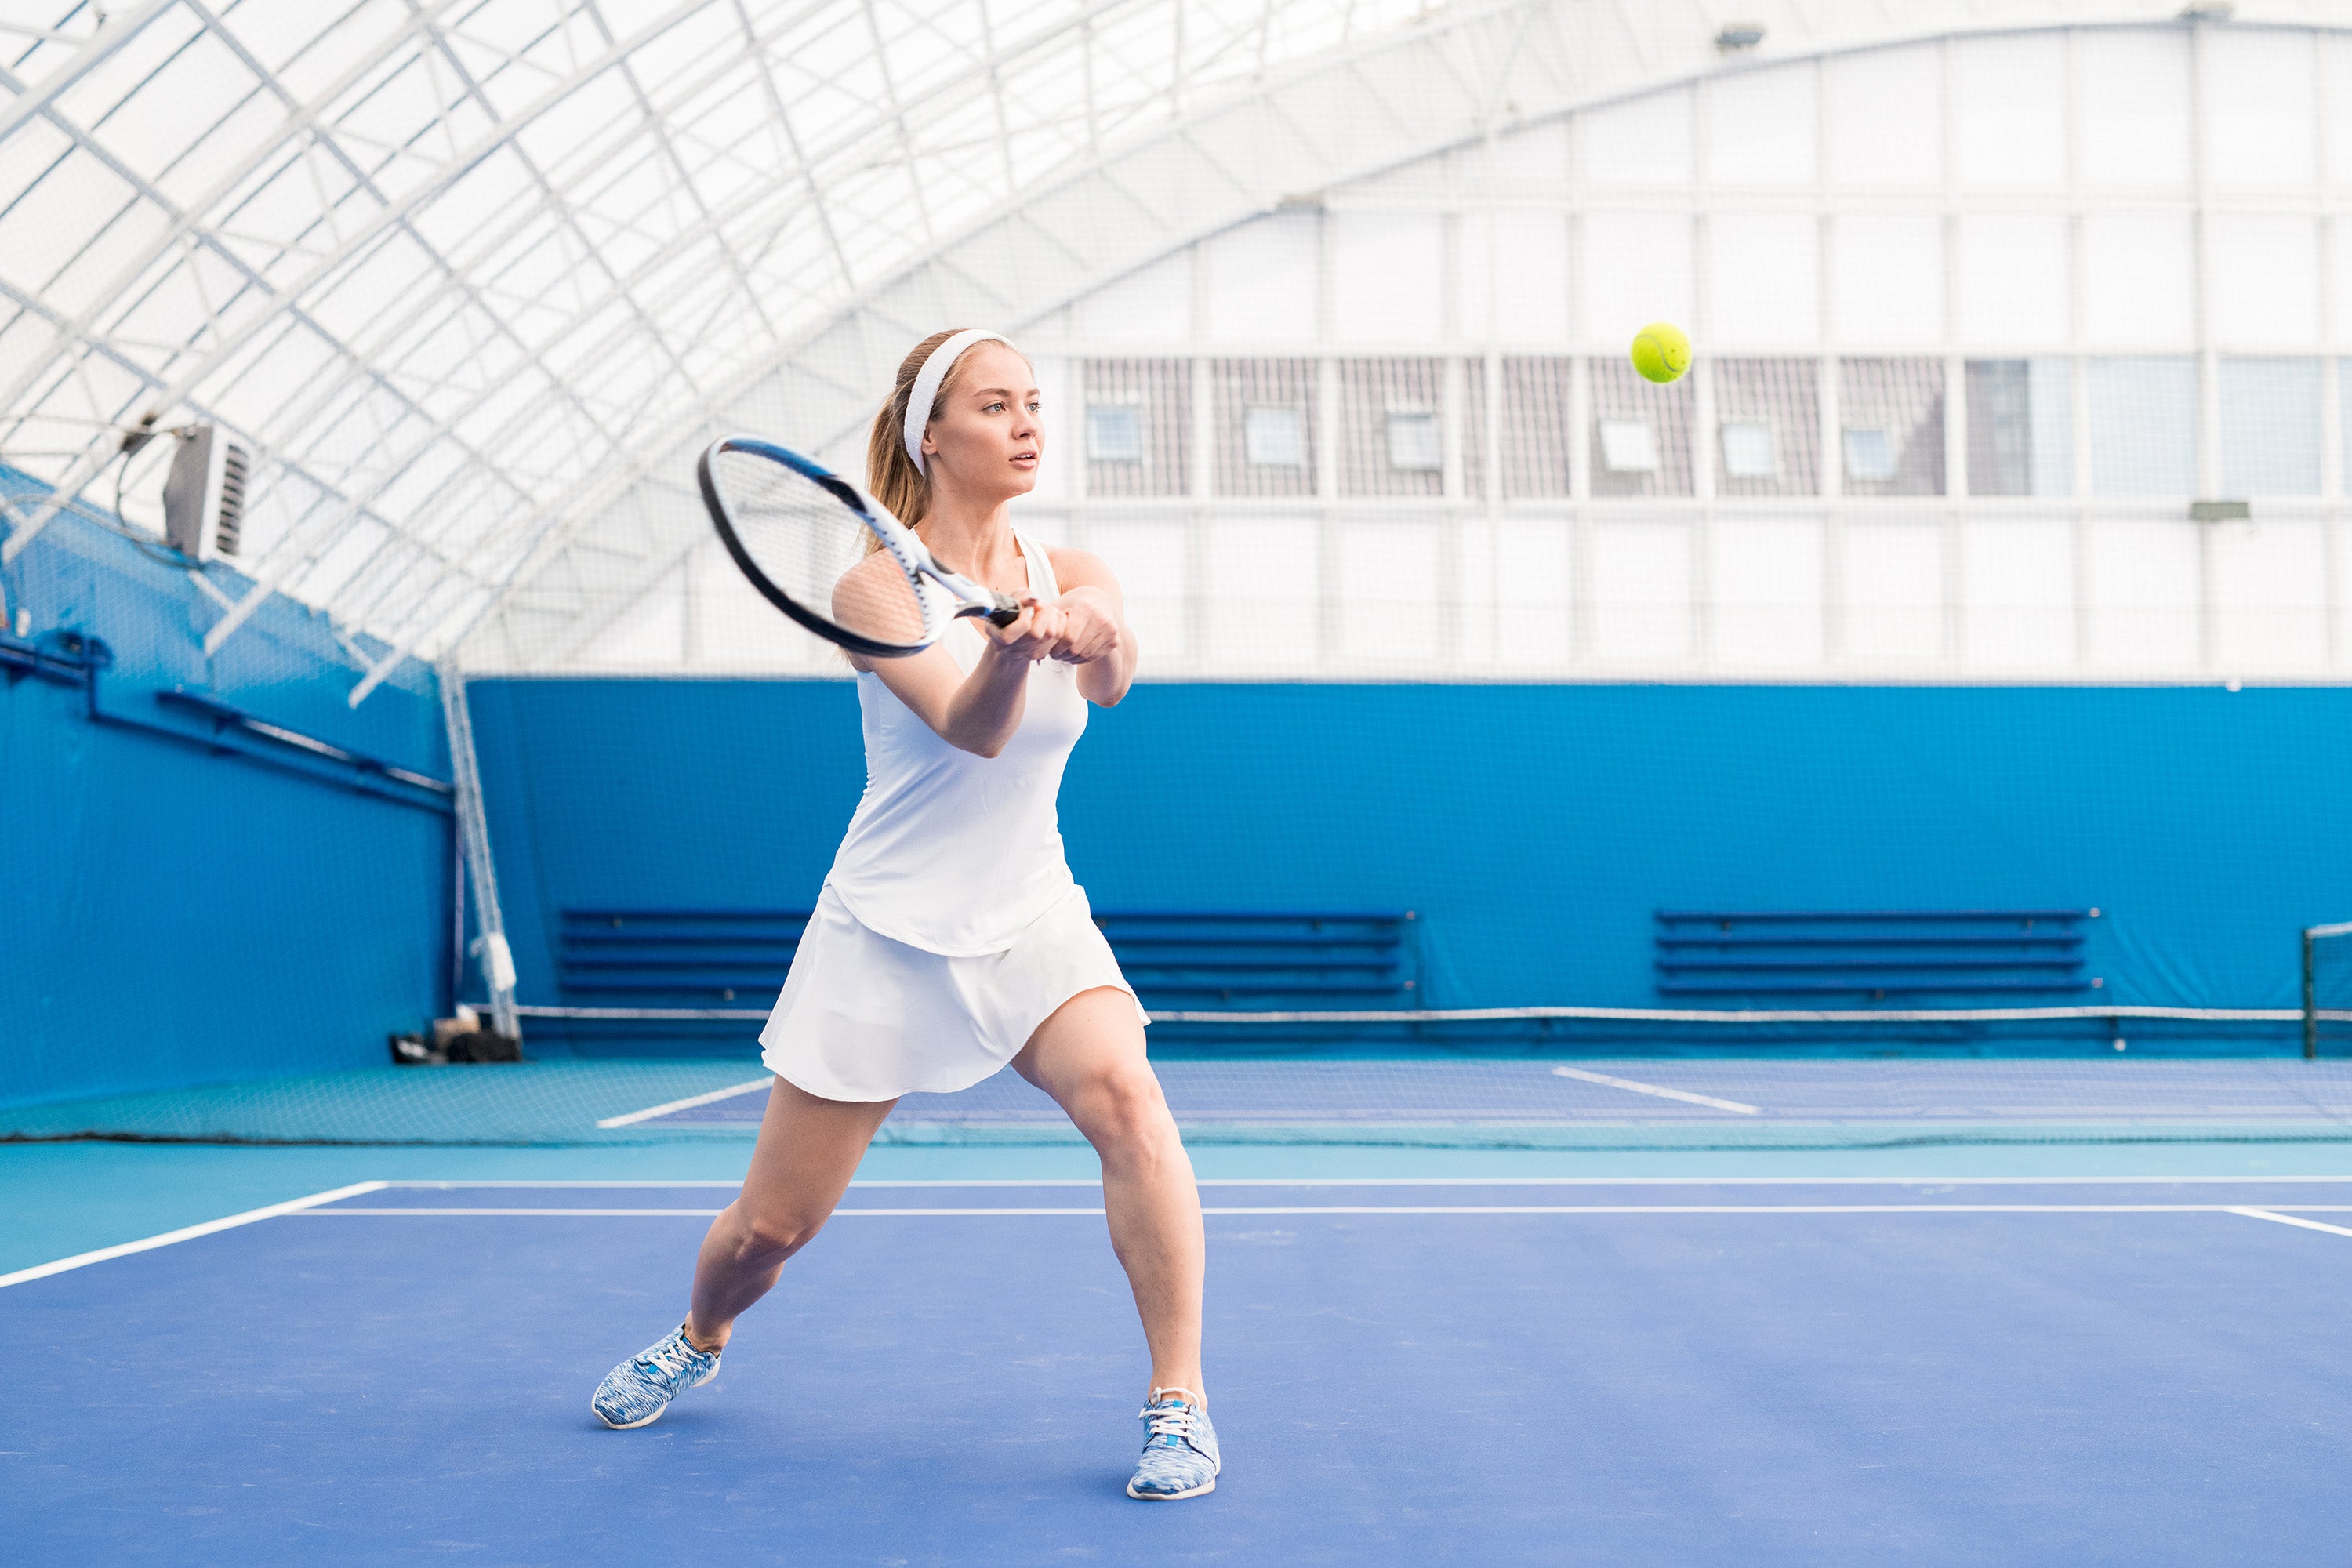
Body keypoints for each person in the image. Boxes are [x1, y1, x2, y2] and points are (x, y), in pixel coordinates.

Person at [589, 328, 1218, 1501]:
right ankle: (699, 1335)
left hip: (1030, 910)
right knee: (768, 1235)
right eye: (996, 406)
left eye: (1033, 403)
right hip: (884, 931)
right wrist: (1014, 652)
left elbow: (1115, 674)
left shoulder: (1067, 558)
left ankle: (1178, 1401)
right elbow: (973, 728)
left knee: (1130, 1101)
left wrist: (1088, 628)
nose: (1028, 423)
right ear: (933, 433)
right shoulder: (871, 586)